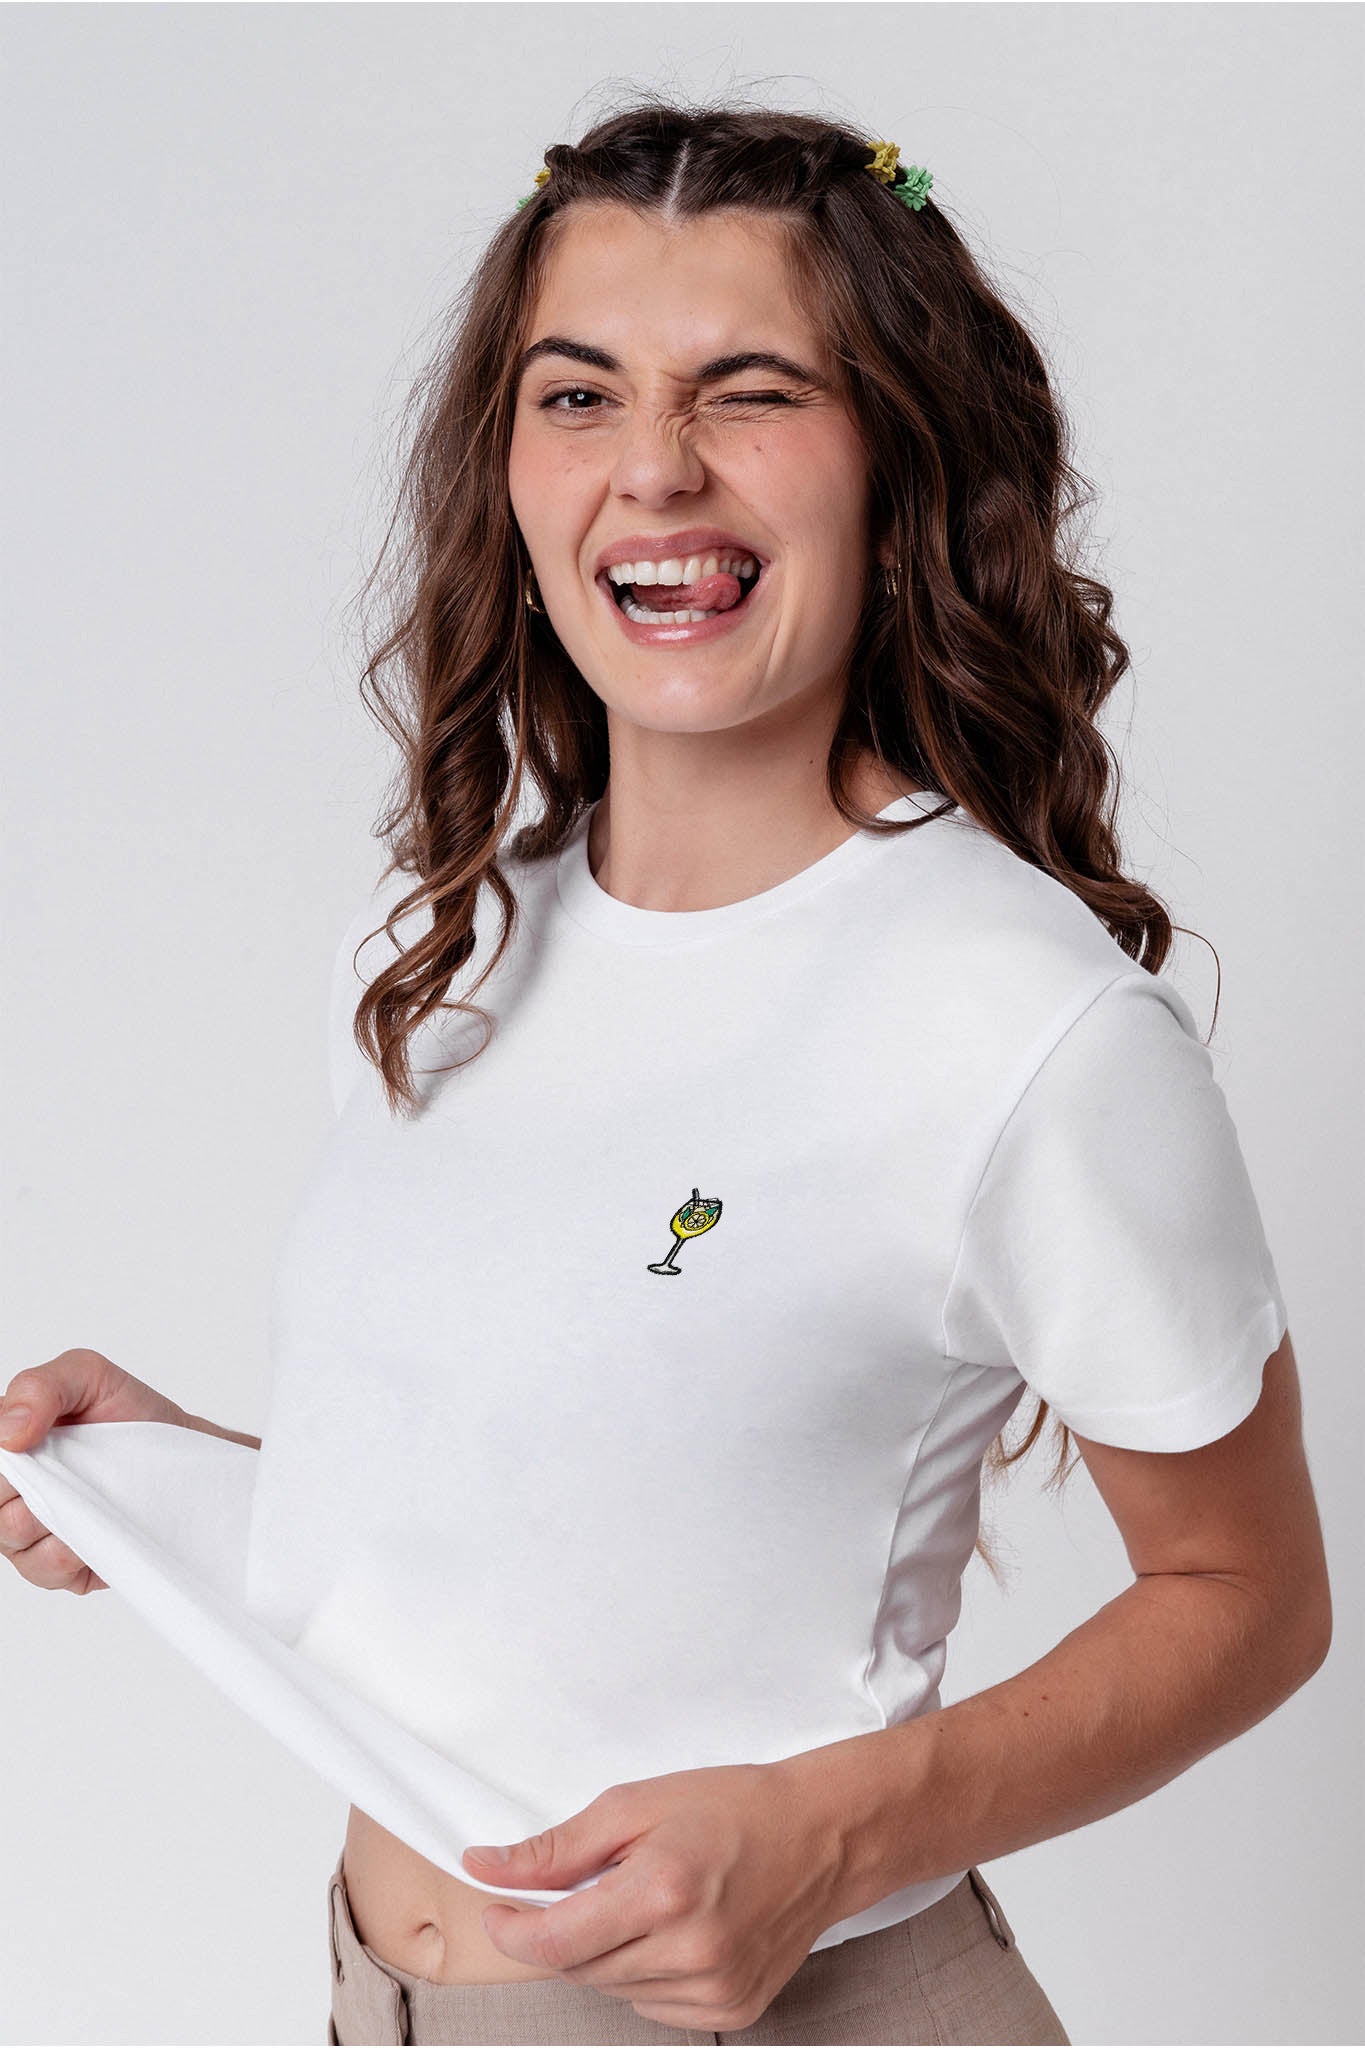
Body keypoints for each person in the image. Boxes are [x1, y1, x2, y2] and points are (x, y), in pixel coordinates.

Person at [0, 98, 1332, 2048]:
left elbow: (1247, 1596)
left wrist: (823, 1831)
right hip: (379, 1998)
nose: (654, 469)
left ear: (896, 461)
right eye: (578, 396)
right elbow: (583, 1508)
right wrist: (174, 1489)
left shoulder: (1015, 1023)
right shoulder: (441, 951)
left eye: (751, 391)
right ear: (506, 468)